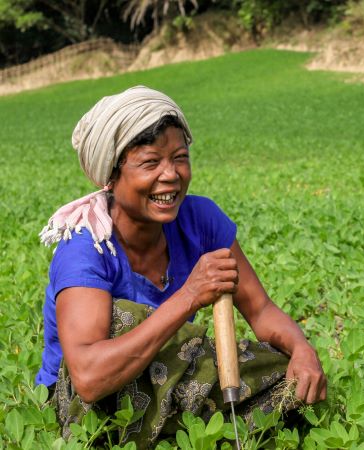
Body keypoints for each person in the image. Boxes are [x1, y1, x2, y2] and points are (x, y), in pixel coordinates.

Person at [36, 86, 327, 446]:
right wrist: (190, 295)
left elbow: (262, 309)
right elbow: (88, 378)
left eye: (179, 158)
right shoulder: (86, 248)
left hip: (171, 371)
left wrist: (302, 349)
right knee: (123, 317)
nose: (171, 175)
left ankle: (187, 428)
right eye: (150, 163)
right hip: (91, 405)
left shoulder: (200, 219)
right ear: (112, 175)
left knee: (290, 373)